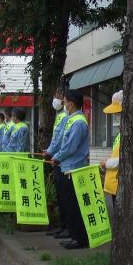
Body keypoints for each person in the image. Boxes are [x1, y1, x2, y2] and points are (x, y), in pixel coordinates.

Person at [52, 89, 90, 249]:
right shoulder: (71, 119)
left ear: (72, 103)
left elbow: (70, 147)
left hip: (73, 169)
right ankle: (74, 236)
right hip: (67, 167)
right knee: (68, 204)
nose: (64, 104)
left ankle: (79, 238)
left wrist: (57, 157)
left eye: (65, 101)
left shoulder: (78, 122)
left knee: (74, 205)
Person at [44, 88, 69, 238]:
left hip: (62, 160)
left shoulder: (66, 116)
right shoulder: (59, 115)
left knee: (65, 197)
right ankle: (62, 225)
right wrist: (50, 150)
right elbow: (56, 138)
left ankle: (66, 227)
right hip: (57, 158)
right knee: (60, 196)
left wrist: (53, 153)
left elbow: (61, 140)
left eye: (58, 97)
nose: (55, 99)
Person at [100, 89, 123, 209]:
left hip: (120, 184)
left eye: (118, 113)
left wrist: (107, 163)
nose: (116, 116)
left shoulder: (128, 134)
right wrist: (106, 164)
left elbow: (123, 159)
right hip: (115, 184)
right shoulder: (120, 134)